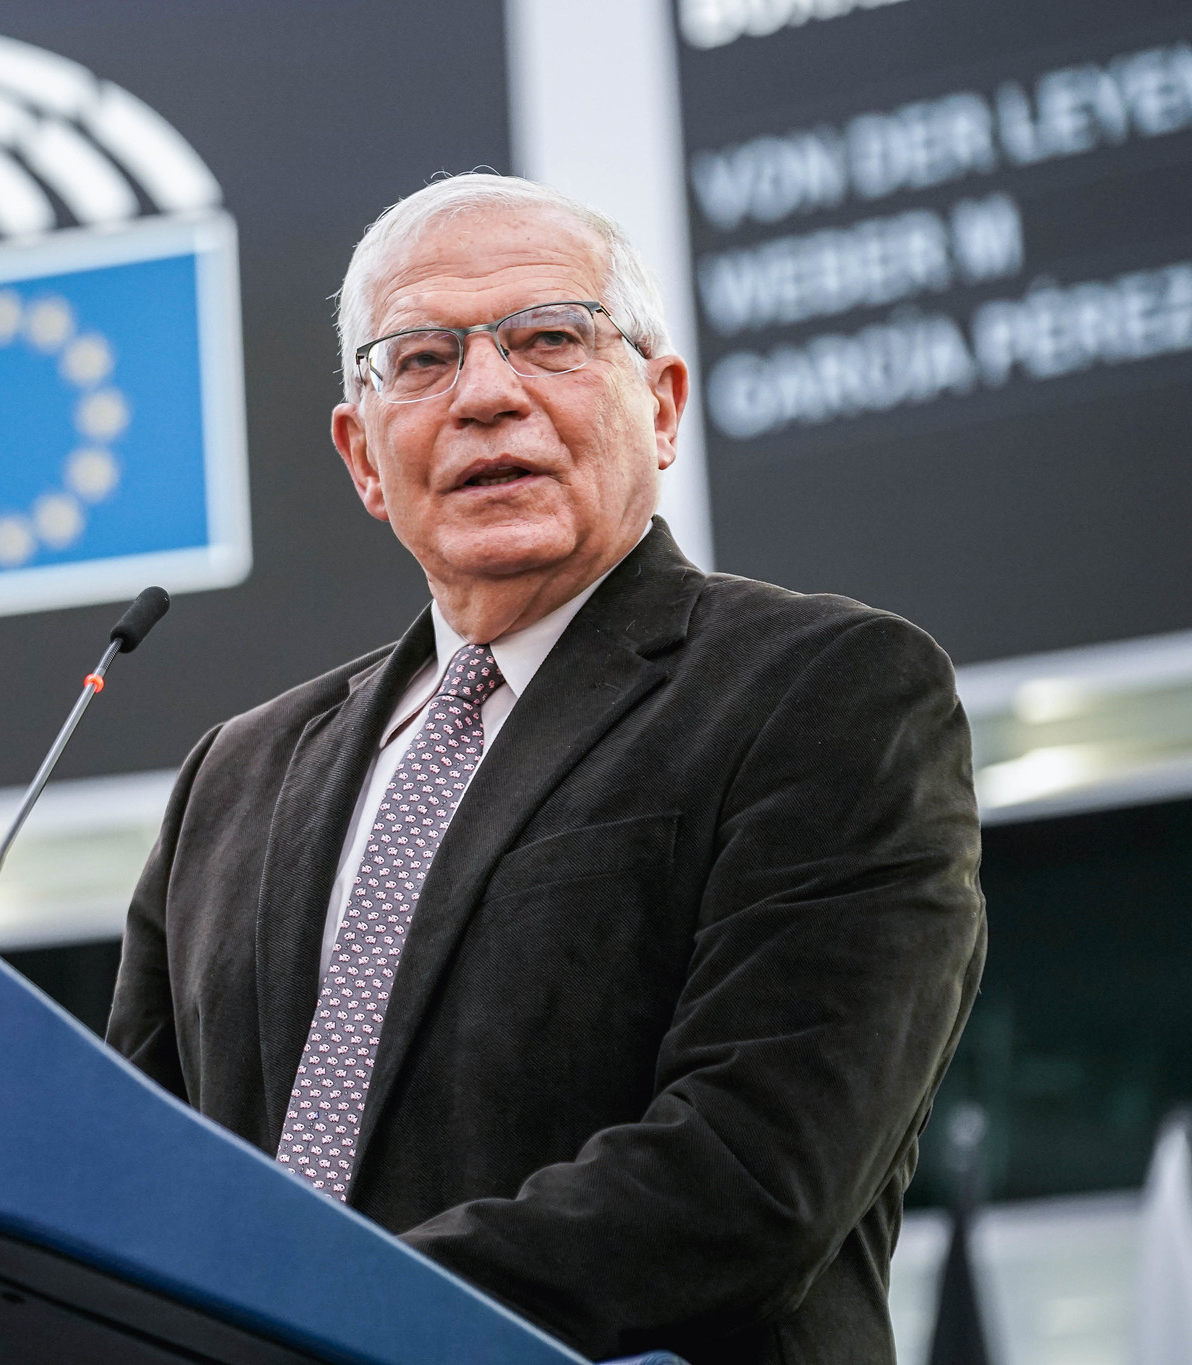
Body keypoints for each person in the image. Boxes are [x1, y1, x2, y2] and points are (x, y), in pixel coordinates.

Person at [105, 173, 986, 1365]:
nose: (484, 395)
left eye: (548, 340)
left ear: (660, 406)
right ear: (361, 454)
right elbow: (133, 1187)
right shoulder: (234, 776)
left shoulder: (824, 691)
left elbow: (752, 1172)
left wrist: (317, 1321)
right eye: (420, 359)